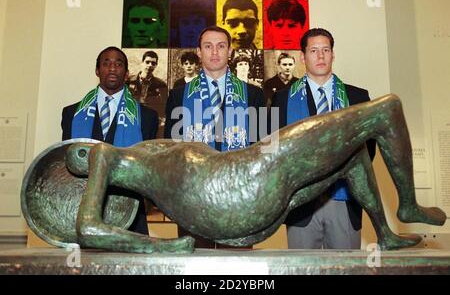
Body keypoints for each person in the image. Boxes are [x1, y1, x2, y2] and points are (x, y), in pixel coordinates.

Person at [67, 94, 447, 253]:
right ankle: (408, 205)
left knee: (349, 156)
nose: (89, 150)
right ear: (83, 161)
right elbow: (88, 228)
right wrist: (164, 246)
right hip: (240, 185)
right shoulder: (106, 157)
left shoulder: (135, 159)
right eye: (80, 153)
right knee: (386, 109)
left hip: (236, 194)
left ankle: (386, 235)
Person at [271, 28, 376, 249]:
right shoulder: (281, 99)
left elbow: (369, 149)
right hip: (301, 204)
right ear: (303, 56)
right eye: (314, 50)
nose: (320, 56)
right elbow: (271, 149)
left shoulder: (358, 97)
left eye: (325, 50)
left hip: (344, 200)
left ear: (333, 55)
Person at [164, 26, 265, 248]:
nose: (215, 52)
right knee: (196, 264)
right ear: (199, 52)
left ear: (230, 51)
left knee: (238, 265)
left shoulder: (254, 94)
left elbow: (263, 150)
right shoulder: (179, 95)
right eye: (208, 46)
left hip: (240, 195)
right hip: (192, 196)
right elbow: (171, 151)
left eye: (221, 46)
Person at [61, 46, 159, 236]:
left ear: (126, 73)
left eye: (118, 64)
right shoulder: (72, 114)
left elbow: (148, 169)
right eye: (106, 63)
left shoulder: (147, 117)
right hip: (82, 209)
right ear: (97, 71)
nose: (112, 68)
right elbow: (68, 164)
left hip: (130, 212)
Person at [128, 50, 168, 137]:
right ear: (142, 63)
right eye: (147, 62)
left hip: (150, 124)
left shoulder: (161, 85)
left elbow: (165, 107)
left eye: (153, 63)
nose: (150, 65)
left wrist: (161, 122)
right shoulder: (129, 81)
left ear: (156, 65)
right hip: (131, 121)